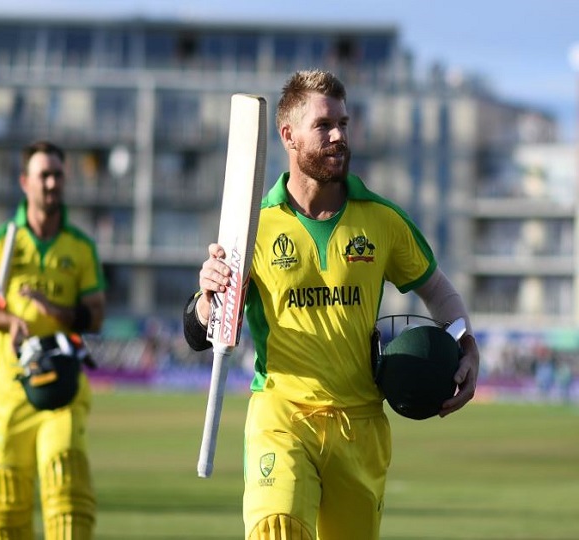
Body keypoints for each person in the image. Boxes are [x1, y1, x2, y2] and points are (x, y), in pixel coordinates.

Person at [183, 69, 481, 540]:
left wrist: (467, 344)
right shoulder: (253, 226)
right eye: (324, 125)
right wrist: (207, 298)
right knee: (276, 528)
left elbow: (439, 292)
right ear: (288, 135)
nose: (339, 135)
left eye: (344, 122)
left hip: (360, 423)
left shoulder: (381, 219)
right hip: (282, 414)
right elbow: (202, 331)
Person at [0, 140, 106, 539]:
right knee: (7, 501)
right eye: (43, 175)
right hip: (10, 386)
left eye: (57, 175)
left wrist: (56, 312)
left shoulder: (80, 247)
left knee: (65, 481)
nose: (51, 183)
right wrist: (10, 320)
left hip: (62, 386)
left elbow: (95, 314)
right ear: (24, 182)